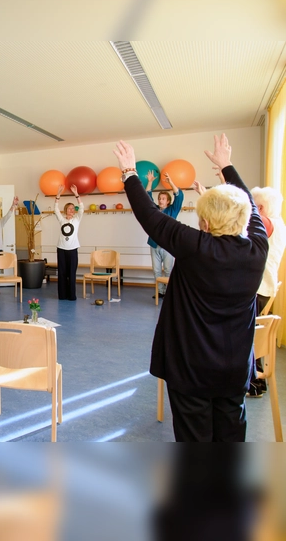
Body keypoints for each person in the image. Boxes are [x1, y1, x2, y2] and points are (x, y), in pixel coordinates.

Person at [113, 134, 267, 442]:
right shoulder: (257, 248)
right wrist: (227, 165)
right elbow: (249, 202)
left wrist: (130, 173)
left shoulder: (195, 246)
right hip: (235, 368)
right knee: (232, 432)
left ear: (206, 224)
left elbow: (151, 219)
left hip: (191, 367)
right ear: (245, 220)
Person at [247, 186, 286, 397]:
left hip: (258, 287)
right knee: (255, 334)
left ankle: (252, 383)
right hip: (266, 286)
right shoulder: (279, 224)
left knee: (248, 334)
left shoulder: (266, 223)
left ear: (259, 207)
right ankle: (257, 379)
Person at [145, 171, 184, 299]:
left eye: (163, 199)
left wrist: (170, 182)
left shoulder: (173, 210)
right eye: (159, 199)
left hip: (168, 245)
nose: (160, 200)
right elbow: (146, 198)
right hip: (154, 244)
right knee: (156, 271)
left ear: (168, 201)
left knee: (168, 270)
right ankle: (160, 292)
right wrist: (150, 181)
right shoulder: (154, 210)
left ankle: (168, 292)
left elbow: (179, 196)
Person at [54, 184, 84, 301]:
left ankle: (72, 295)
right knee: (62, 273)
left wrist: (76, 194)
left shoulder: (76, 219)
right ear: (66, 210)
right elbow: (55, 209)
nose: (72, 210)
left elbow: (81, 207)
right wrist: (58, 195)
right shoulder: (61, 219)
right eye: (69, 208)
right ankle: (62, 295)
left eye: (73, 208)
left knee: (71, 274)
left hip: (72, 249)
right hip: (61, 249)